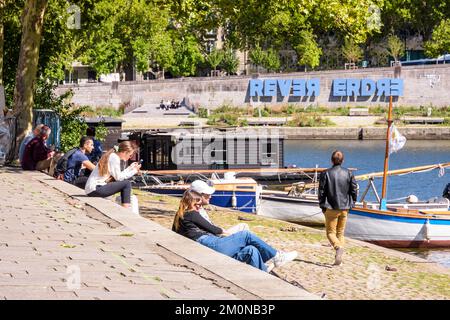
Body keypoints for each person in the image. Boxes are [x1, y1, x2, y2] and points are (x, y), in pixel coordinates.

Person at [172, 189, 298, 272]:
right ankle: (276, 256)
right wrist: (226, 233)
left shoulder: (181, 215)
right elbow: (214, 229)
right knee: (245, 235)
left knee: (251, 250)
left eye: (200, 204)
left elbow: (175, 233)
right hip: (210, 245)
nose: (199, 206)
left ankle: (263, 273)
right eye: (197, 204)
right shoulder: (191, 214)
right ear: (190, 202)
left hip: (208, 244)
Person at [318, 150, 358, 266]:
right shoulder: (349, 173)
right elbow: (354, 189)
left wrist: (322, 205)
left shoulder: (325, 173)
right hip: (345, 207)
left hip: (330, 207)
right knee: (340, 233)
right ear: (343, 161)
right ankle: (339, 258)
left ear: (331, 160)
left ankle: (338, 247)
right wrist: (353, 202)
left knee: (330, 233)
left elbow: (321, 191)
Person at [85, 141, 141, 208]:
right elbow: (119, 178)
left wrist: (130, 168)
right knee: (127, 184)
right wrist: (134, 171)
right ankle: (126, 210)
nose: (130, 157)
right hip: (95, 189)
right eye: (130, 155)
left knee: (124, 183)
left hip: (92, 189)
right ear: (125, 152)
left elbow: (118, 175)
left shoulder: (112, 156)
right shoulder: (114, 158)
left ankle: (125, 208)